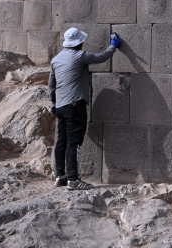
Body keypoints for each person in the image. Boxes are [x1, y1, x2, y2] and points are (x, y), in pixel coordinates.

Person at [49, 27, 121, 190]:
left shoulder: (56, 59)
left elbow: (51, 85)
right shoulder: (80, 56)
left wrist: (54, 103)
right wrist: (113, 46)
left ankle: (60, 175)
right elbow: (101, 57)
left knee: (62, 140)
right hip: (75, 105)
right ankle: (73, 179)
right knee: (73, 143)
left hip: (60, 106)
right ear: (78, 43)